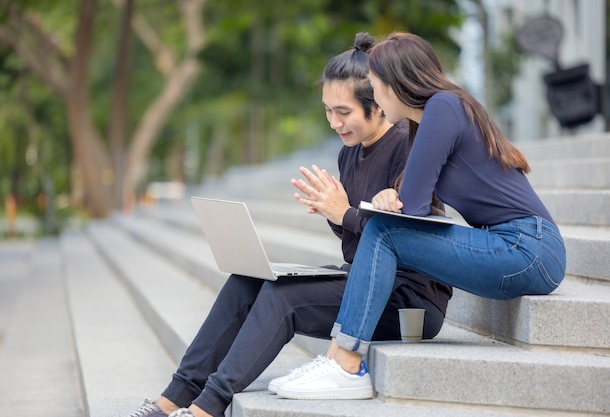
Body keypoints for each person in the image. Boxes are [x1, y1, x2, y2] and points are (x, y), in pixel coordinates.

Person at [124, 32, 452, 417]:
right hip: (363, 282)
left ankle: (206, 408)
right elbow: (357, 238)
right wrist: (336, 214)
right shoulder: (351, 154)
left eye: (343, 112)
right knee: (248, 280)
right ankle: (172, 398)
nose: (334, 123)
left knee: (285, 298)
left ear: (378, 105)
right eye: (327, 111)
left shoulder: (408, 146)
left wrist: (343, 212)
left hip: (408, 300)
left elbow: (408, 237)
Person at [276, 32, 567, 401]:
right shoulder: (430, 120)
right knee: (385, 228)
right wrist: (389, 197)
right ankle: (339, 358)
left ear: (396, 85)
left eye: (376, 87)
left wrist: (385, 203)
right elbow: (407, 203)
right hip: (511, 246)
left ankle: (345, 361)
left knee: (383, 232)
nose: (375, 100)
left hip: (529, 248)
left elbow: (410, 210)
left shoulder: (444, 107)